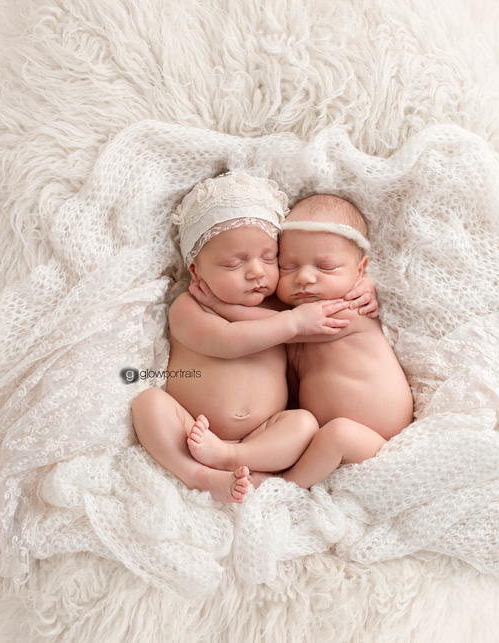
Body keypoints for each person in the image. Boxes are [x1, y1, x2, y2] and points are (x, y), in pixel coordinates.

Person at [131, 173, 375, 504]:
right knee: (149, 404)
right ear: (196, 272)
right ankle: (198, 475)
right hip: (191, 426)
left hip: (262, 435)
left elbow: (332, 291)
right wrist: (292, 323)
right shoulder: (189, 305)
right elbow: (228, 340)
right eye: (235, 262)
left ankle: (237, 460)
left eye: (270, 258)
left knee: (303, 423)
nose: (257, 272)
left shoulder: (285, 304)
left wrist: (364, 286)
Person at [189, 193, 414, 489]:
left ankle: (284, 486)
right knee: (308, 428)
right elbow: (279, 325)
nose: (305, 278)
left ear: (359, 271)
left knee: (340, 434)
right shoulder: (296, 314)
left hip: (373, 441)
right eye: (288, 267)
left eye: (325, 267)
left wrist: (221, 308)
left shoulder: (352, 306)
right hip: (318, 440)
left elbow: (285, 326)